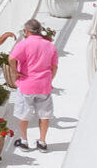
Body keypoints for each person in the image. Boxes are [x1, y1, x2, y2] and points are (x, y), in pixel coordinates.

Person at [6, 20, 61, 150]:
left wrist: (15, 72)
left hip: (27, 84)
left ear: (26, 31)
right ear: (40, 30)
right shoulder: (49, 45)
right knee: (45, 114)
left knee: (24, 114)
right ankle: (42, 142)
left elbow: (11, 58)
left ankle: (24, 141)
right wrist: (49, 79)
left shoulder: (23, 44)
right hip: (44, 85)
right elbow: (54, 67)